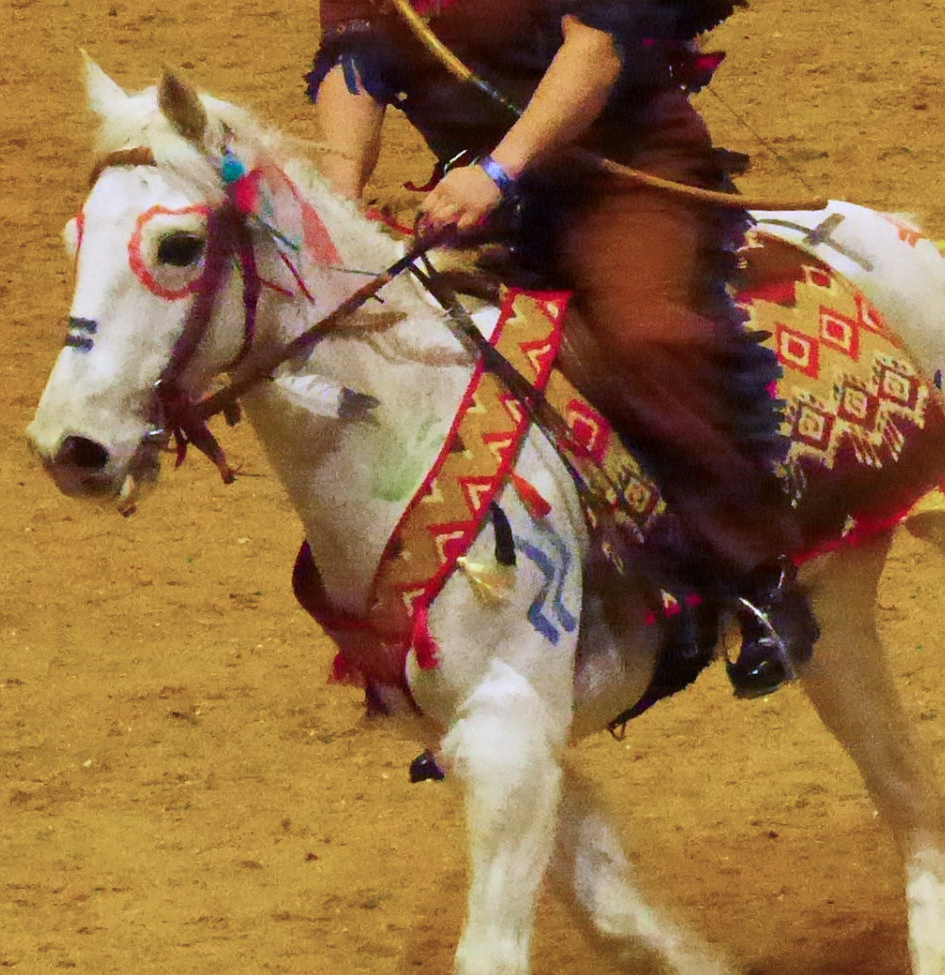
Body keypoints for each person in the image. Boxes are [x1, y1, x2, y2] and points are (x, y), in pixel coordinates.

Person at [305, 0, 819, 698]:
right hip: (482, 200)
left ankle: (759, 577)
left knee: (646, 338)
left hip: (619, 174)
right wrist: (336, 202)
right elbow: (354, 63)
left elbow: (596, 50)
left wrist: (499, 171)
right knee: (404, 353)